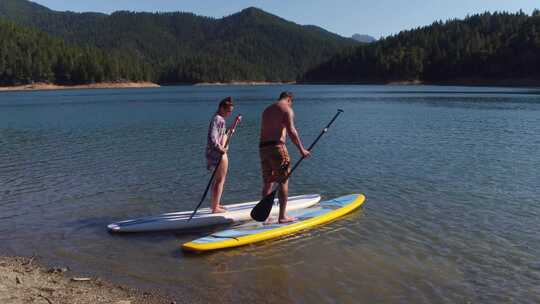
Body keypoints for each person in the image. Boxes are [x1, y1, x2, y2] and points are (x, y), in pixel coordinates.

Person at [259, 91, 310, 223]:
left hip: (263, 148)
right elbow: (292, 131)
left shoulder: (267, 110)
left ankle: (265, 216)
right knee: (283, 181)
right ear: (289, 99)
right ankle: (282, 216)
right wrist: (301, 150)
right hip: (277, 147)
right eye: (291, 102)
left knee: (268, 182)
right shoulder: (287, 109)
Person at [206, 96, 235, 213]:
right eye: (228, 111)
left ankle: (215, 204)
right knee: (220, 180)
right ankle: (215, 207)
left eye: (230, 112)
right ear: (221, 108)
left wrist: (229, 131)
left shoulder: (218, 119)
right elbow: (213, 139)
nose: (229, 114)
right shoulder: (218, 119)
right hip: (218, 154)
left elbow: (220, 135)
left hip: (215, 153)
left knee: (217, 180)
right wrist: (221, 149)